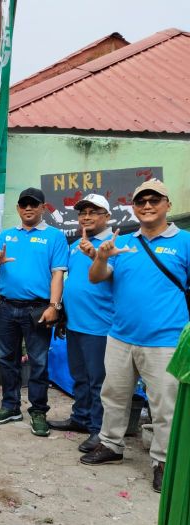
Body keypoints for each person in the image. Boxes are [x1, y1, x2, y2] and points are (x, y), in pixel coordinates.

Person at [81, 179, 190, 493]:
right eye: (141, 201)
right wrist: (101, 257)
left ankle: (163, 460)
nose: (147, 206)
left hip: (166, 340)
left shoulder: (184, 242)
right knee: (113, 396)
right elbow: (97, 278)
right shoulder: (123, 243)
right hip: (120, 336)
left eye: (154, 200)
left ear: (167, 204)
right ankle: (111, 444)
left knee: (164, 406)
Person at [0, 187, 69, 436]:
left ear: (43, 208)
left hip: (38, 309)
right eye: (24, 205)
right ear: (18, 209)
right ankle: (10, 406)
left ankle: (38, 411)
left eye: (34, 204)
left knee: (39, 363)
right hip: (8, 307)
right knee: (7, 360)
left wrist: (54, 306)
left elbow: (58, 275)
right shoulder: (7, 235)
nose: (29, 209)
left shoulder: (54, 237)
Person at [48, 194, 114, 453]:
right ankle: (81, 418)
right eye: (82, 212)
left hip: (101, 326)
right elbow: (71, 280)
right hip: (76, 324)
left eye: (94, 211)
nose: (86, 216)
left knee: (99, 381)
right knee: (80, 377)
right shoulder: (76, 245)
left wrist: (98, 255)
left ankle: (99, 430)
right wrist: (63, 312)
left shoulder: (112, 245)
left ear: (107, 216)